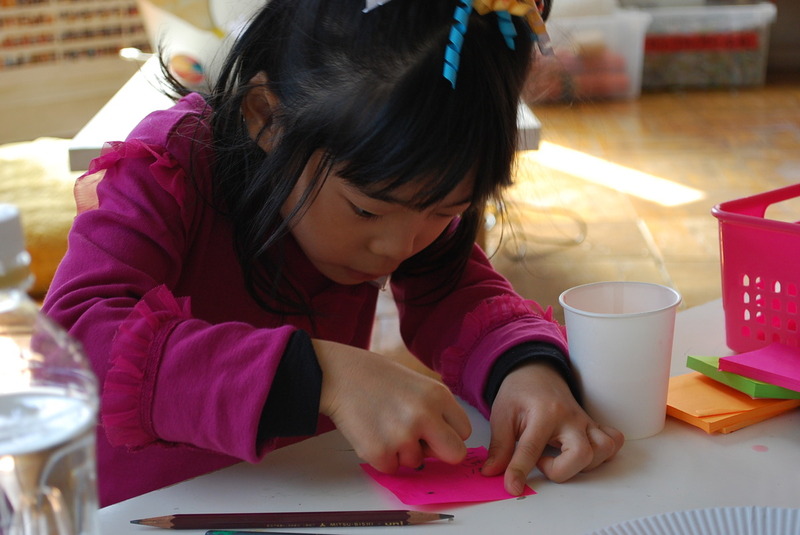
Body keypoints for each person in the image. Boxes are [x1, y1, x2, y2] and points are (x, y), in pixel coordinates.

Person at [43, 0, 624, 507]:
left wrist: (523, 369)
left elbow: (455, 289)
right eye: (367, 212)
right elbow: (75, 348)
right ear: (267, 118)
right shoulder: (168, 169)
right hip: (123, 509)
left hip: (297, 493)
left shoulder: (393, 194)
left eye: (444, 212)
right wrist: (318, 376)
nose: (399, 247)